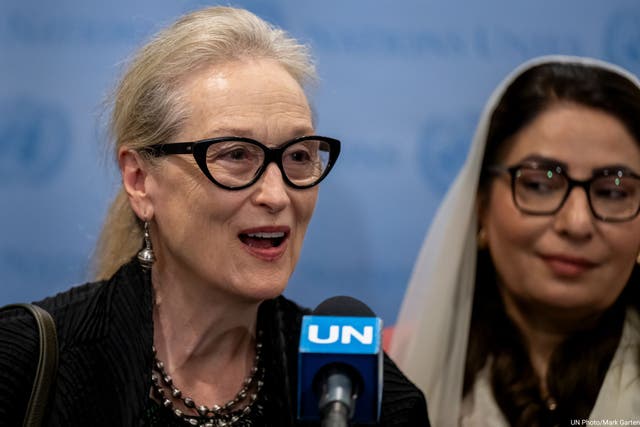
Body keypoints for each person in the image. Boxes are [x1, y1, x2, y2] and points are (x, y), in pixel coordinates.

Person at [0, 6, 429, 426]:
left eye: (299, 156)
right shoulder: (22, 364)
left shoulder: (363, 397)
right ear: (139, 179)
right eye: (236, 155)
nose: (277, 195)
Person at [390, 55, 640, 426]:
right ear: (481, 207)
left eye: (613, 191)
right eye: (540, 185)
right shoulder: (389, 370)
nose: (577, 222)